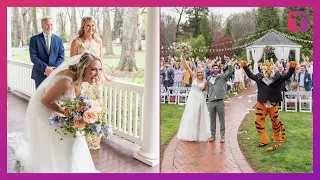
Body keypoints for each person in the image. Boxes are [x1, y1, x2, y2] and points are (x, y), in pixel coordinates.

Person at [7, 53, 104, 172]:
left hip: (59, 107)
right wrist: (67, 112)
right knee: (66, 139)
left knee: (76, 138)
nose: (98, 73)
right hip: (44, 107)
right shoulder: (66, 82)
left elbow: (75, 99)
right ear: (83, 68)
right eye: (93, 69)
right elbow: (45, 101)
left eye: (100, 69)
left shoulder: (81, 78)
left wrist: (85, 110)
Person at [177, 52, 211, 142]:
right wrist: (184, 58)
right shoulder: (193, 77)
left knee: (199, 116)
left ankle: (198, 135)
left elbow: (208, 92)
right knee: (191, 115)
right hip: (192, 98)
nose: (200, 74)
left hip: (200, 99)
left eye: (201, 73)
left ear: (203, 74)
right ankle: (190, 134)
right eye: (198, 72)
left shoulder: (205, 82)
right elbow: (187, 67)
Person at [29, 16, 65, 88]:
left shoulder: (59, 40)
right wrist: (46, 68)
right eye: (47, 25)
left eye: (51, 25)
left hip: (54, 73)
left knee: (53, 96)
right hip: (40, 73)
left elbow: (61, 57)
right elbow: (33, 57)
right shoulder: (34, 39)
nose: (49, 27)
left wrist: (52, 70)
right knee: (39, 97)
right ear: (42, 26)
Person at [207, 57, 233, 143]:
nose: (215, 69)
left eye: (216, 68)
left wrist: (229, 62)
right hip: (211, 101)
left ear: (219, 69)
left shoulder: (222, 77)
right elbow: (207, 87)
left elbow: (229, 72)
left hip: (219, 101)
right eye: (213, 68)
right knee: (212, 119)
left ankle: (222, 136)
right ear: (211, 69)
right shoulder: (209, 78)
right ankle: (212, 135)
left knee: (222, 119)